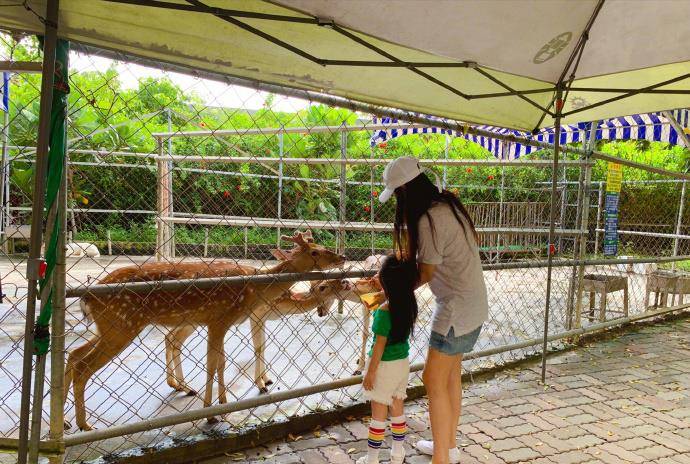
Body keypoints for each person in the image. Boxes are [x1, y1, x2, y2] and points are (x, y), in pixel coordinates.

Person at [375, 156, 488, 464]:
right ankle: (447, 447)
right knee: (450, 377)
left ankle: (441, 458)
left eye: (397, 195)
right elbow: (429, 262)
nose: (398, 203)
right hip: (474, 308)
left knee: (433, 379)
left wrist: (390, 287)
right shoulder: (448, 205)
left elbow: (425, 272)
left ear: (406, 191)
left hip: (456, 311)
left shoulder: (428, 219)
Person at [358, 254, 418, 464]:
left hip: (383, 367)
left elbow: (379, 346)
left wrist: (370, 373)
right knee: (398, 409)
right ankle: (397, 454)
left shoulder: (383, 312)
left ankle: (372, 458)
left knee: (378, 416)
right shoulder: (408, 304)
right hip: (402, 364)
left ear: (386, 282)